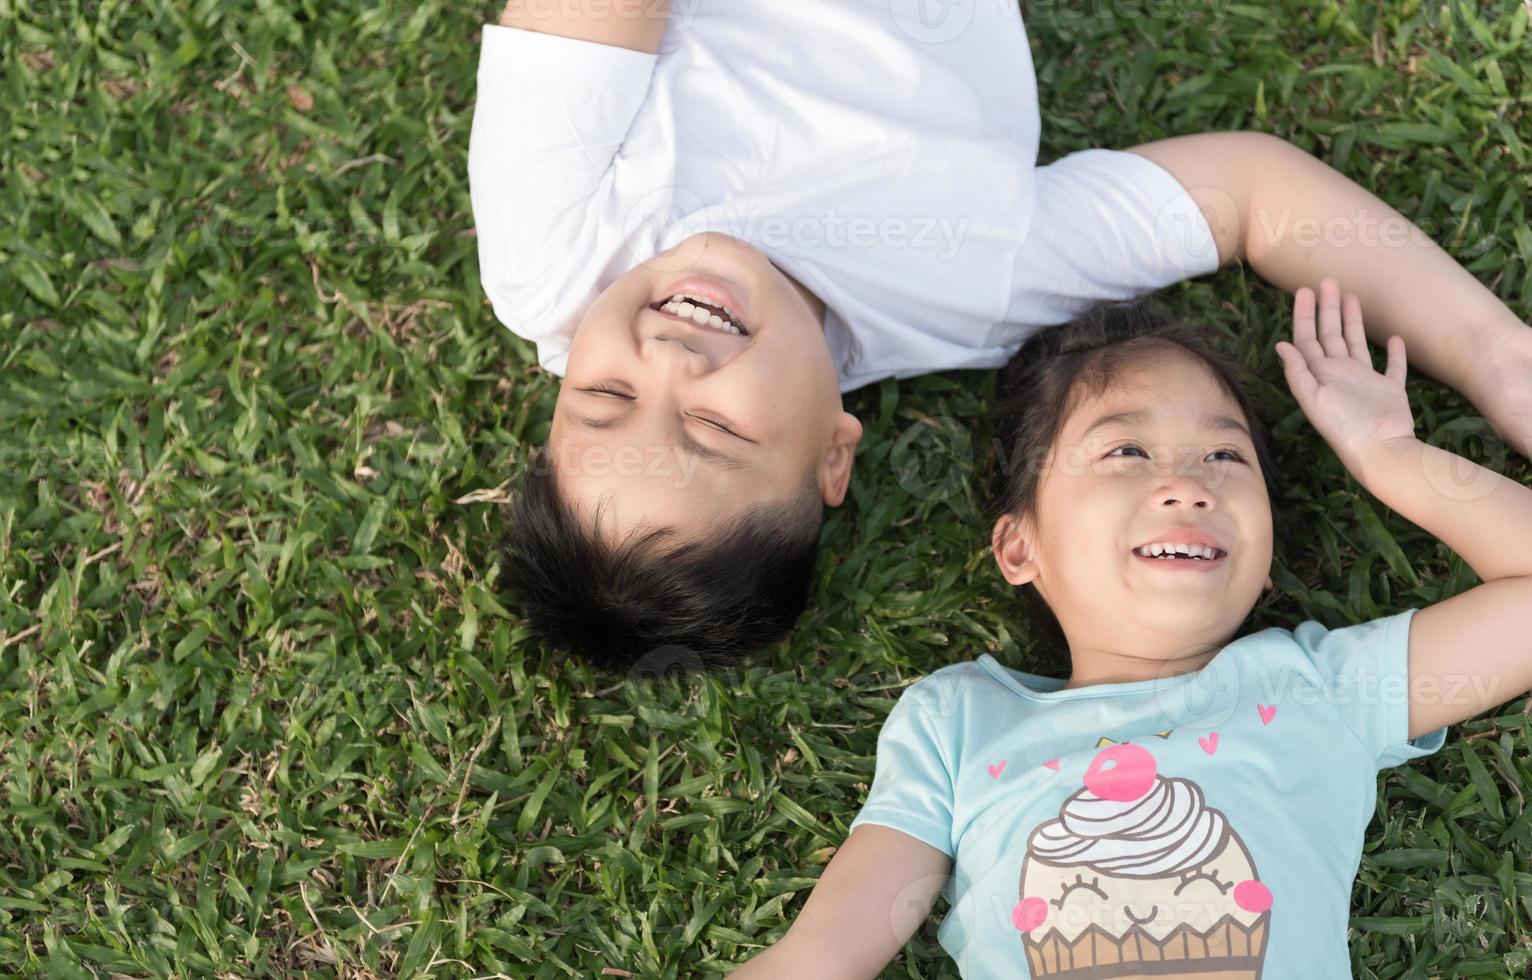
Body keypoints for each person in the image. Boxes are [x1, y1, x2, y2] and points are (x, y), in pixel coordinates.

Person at [469, 0, 1532, 673]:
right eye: (710, 424)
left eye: (601, 395)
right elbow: (1250, 194)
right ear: (835, 452)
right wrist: (1499, 362)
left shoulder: (556, 262)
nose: (666, 357)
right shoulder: (969, 287)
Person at [729, 281, 1532, 977]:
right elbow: (822, 957)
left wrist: (1391, 455)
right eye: (1127, 449)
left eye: (1226, 456)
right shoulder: (959, 725)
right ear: (1020, 545)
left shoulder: (1321, 689)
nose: (1186, 484)